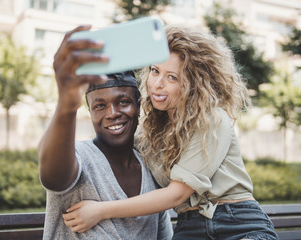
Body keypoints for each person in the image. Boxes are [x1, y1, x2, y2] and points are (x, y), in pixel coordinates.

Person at [62, 25, 279, 240]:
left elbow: (177, 194)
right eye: (155, 71)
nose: (157, 84)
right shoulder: (150, 132)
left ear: (193, 84)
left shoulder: (212, 119)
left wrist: (100, 210)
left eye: (172, 77)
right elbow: (111, 149)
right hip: (189, 227)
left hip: (237, 223)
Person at [38, 25, 173, 240]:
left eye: (123, 102)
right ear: (89, 111)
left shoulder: (150, 167)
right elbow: (53, 177)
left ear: (138, 106)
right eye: (99, 106)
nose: (112, 113)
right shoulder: (80, 156)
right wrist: (67, 105)